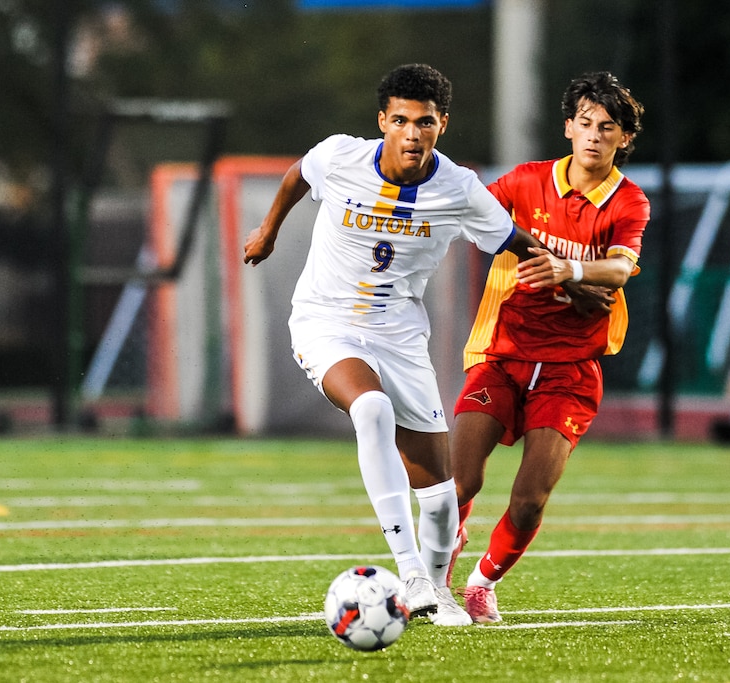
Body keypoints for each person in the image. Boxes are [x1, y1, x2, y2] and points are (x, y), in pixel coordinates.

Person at [243, 64, 569, 627]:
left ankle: (439, 590)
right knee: (371, 408)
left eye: (424, 122)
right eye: (400, 121)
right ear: (382, 121)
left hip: (400, 337)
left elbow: (512, 240)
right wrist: (269, 230)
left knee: (441, 496)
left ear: (442, 125)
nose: (412, 134)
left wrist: (571, 278)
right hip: (326, 322)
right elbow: (299, 174)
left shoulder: (459, 188)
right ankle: (411, 572)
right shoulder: (341, 156)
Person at [446, 71, 650, 623]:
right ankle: (438, 563)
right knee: (460, 481)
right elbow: (472, 216)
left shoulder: (629, 202)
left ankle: (483, 582)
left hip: (570, 369)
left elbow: (619, 270)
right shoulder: (527, 181)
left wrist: (570, 270)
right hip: (502, 353)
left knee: (530, 499)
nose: (594, 135)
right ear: (568, 127)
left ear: (624, 139)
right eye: (586, 123)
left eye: (607, 127)